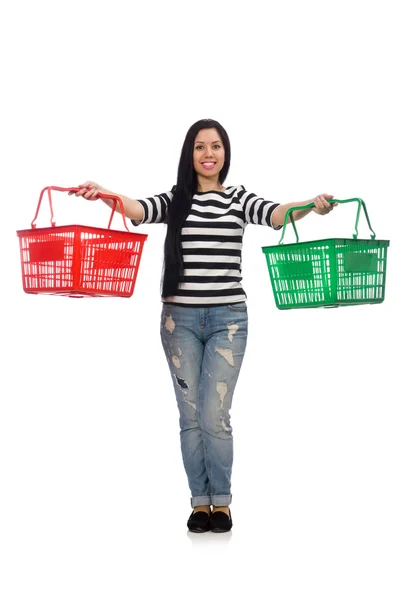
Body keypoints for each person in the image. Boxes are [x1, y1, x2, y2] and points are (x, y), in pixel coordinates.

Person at [69, 118, 336, 533]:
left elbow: (278, 215)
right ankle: (200, 503)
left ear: (225, 153)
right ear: (189, 154)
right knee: (190, 416)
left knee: (216, 416)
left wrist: (311, 206)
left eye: (215, 146)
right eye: (199, 147)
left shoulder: (238, 198)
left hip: (229, 321)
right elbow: (137, 208)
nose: (208, 154)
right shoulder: (177, 200)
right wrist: (102, 193)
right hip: (179, 322)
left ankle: (222, 503)